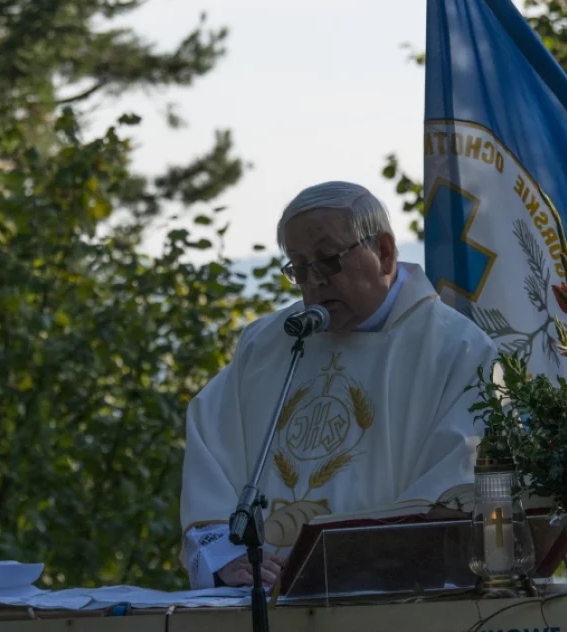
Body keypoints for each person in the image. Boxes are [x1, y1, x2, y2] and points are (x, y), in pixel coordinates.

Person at [179, 181, 498, 589]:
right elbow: (210, 449)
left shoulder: (459, 349)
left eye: (328, 260)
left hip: (389, 599)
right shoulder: (268, 344)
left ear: (384, 252)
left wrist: (356, 563)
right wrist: (228, 557)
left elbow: (457, 480)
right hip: (267, 598)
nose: (313, 282)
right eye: (298, 267)